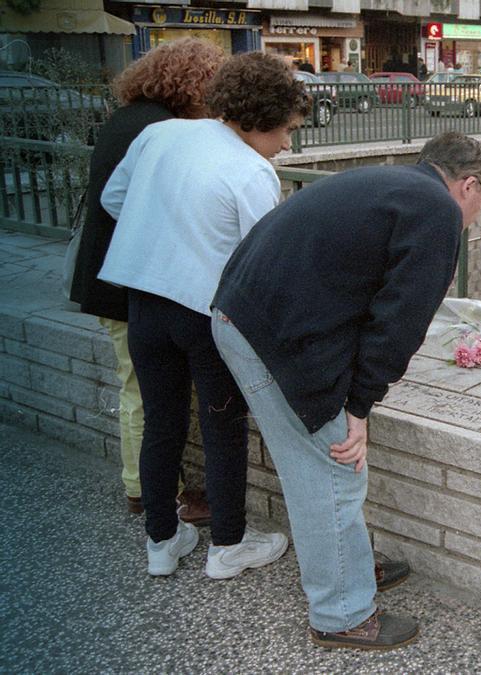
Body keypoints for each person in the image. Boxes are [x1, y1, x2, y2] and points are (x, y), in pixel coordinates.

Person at [210, 131, 481, 650]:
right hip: (270, 334)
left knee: (318, 464)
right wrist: (358, 407)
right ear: (469, 186)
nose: (474, 215)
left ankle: (350, 567)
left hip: (241, 311)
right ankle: (342, 612)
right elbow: (399, 323)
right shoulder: (437, 212)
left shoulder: (391, 183)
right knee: (332, 468)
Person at [98, 52, 309, 578]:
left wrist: (168, 230)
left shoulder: (162, 134)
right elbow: (266, 261)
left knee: (161, 423)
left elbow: (113, 197)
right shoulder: (251, 171)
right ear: (259, 120)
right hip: (204, 313)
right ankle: (228, 547)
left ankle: (161, 543)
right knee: (223, 427)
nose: (287, 144)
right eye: (285, 130)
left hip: (143, 300)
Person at [69, 38, 225, 520]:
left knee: (137, 387)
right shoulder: (163, 127)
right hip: (128, 283)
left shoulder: (129, 118)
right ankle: (149, 491)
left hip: (110, 275)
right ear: (194, 83)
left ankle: (149, 486)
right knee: (141, 392)